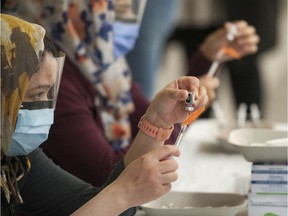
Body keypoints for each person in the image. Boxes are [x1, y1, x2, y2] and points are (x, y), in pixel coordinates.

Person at [2, 0, 259, 188]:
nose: (127, 13)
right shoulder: (51, 70)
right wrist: (168, 119)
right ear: (67, 7)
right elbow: (108, 174)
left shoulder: (101, 64)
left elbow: (148, 114)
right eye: (113, 4)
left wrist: (206, 59)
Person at [1, 14, 208, 216]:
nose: (46, 108)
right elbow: (112, 196)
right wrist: (124, 192)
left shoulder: (18, 159)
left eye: (49, 93)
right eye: (36, 94)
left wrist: (159, 121)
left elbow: (100, 206)